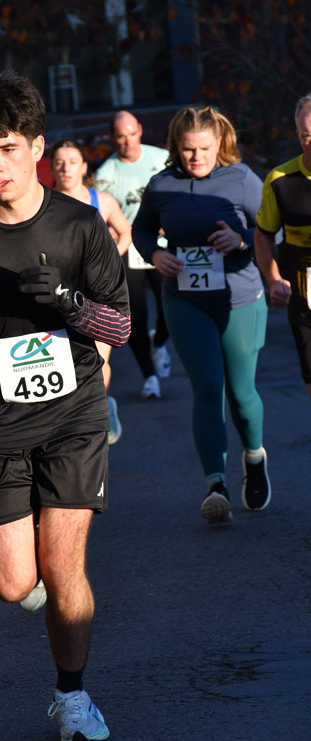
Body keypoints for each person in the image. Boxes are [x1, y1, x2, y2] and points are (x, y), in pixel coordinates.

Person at [0, 71, 131, 741]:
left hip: (72, 415)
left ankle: (72, 697)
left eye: (8, 148)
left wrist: (69, 305)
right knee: (13, 584)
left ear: (37, 147)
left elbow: (120, 326)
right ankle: (35, 570)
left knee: (64, 568)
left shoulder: (78, 225)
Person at [132, 106, 270, 524]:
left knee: (241, 395)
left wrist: (241, 238)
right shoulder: (161, 184)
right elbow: (141, 230)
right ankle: (216, 485)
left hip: (239, 297)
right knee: (208, 387)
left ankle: (254, 457)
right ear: (177, 146)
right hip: (184, 298)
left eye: (205, 149)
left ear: (219, 143)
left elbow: (271, 229)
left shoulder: (241, 179)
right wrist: (155, 254)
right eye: (189, 149)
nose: (196, 157)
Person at [50, 138, 132, 444]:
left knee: (98, 359)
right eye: (59, 162)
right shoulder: (43, 202)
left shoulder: (103, 201)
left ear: (84, 167)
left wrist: (110, 260)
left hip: (98, 295)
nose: (66, 168)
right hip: (60, 295)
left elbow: (126, 232)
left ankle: (99, 411)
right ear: (51, 167)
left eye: (72, 162)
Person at [95, 111, 171, 400]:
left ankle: (160, 342)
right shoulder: (106, 173)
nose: (127, 141)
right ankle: (149, 376)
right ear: (112, 138)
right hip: (129, 248)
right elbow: (100, 216)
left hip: (161, 244)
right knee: (136, 315)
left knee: (169, 306)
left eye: (131, 133)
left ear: (140, 129)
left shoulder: (162, 159)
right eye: (120, 136)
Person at [254, 93, 311, 399]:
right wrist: (274, 278)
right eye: (306, 136)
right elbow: (263, 235)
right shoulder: (280, 180)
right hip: (305, 299)